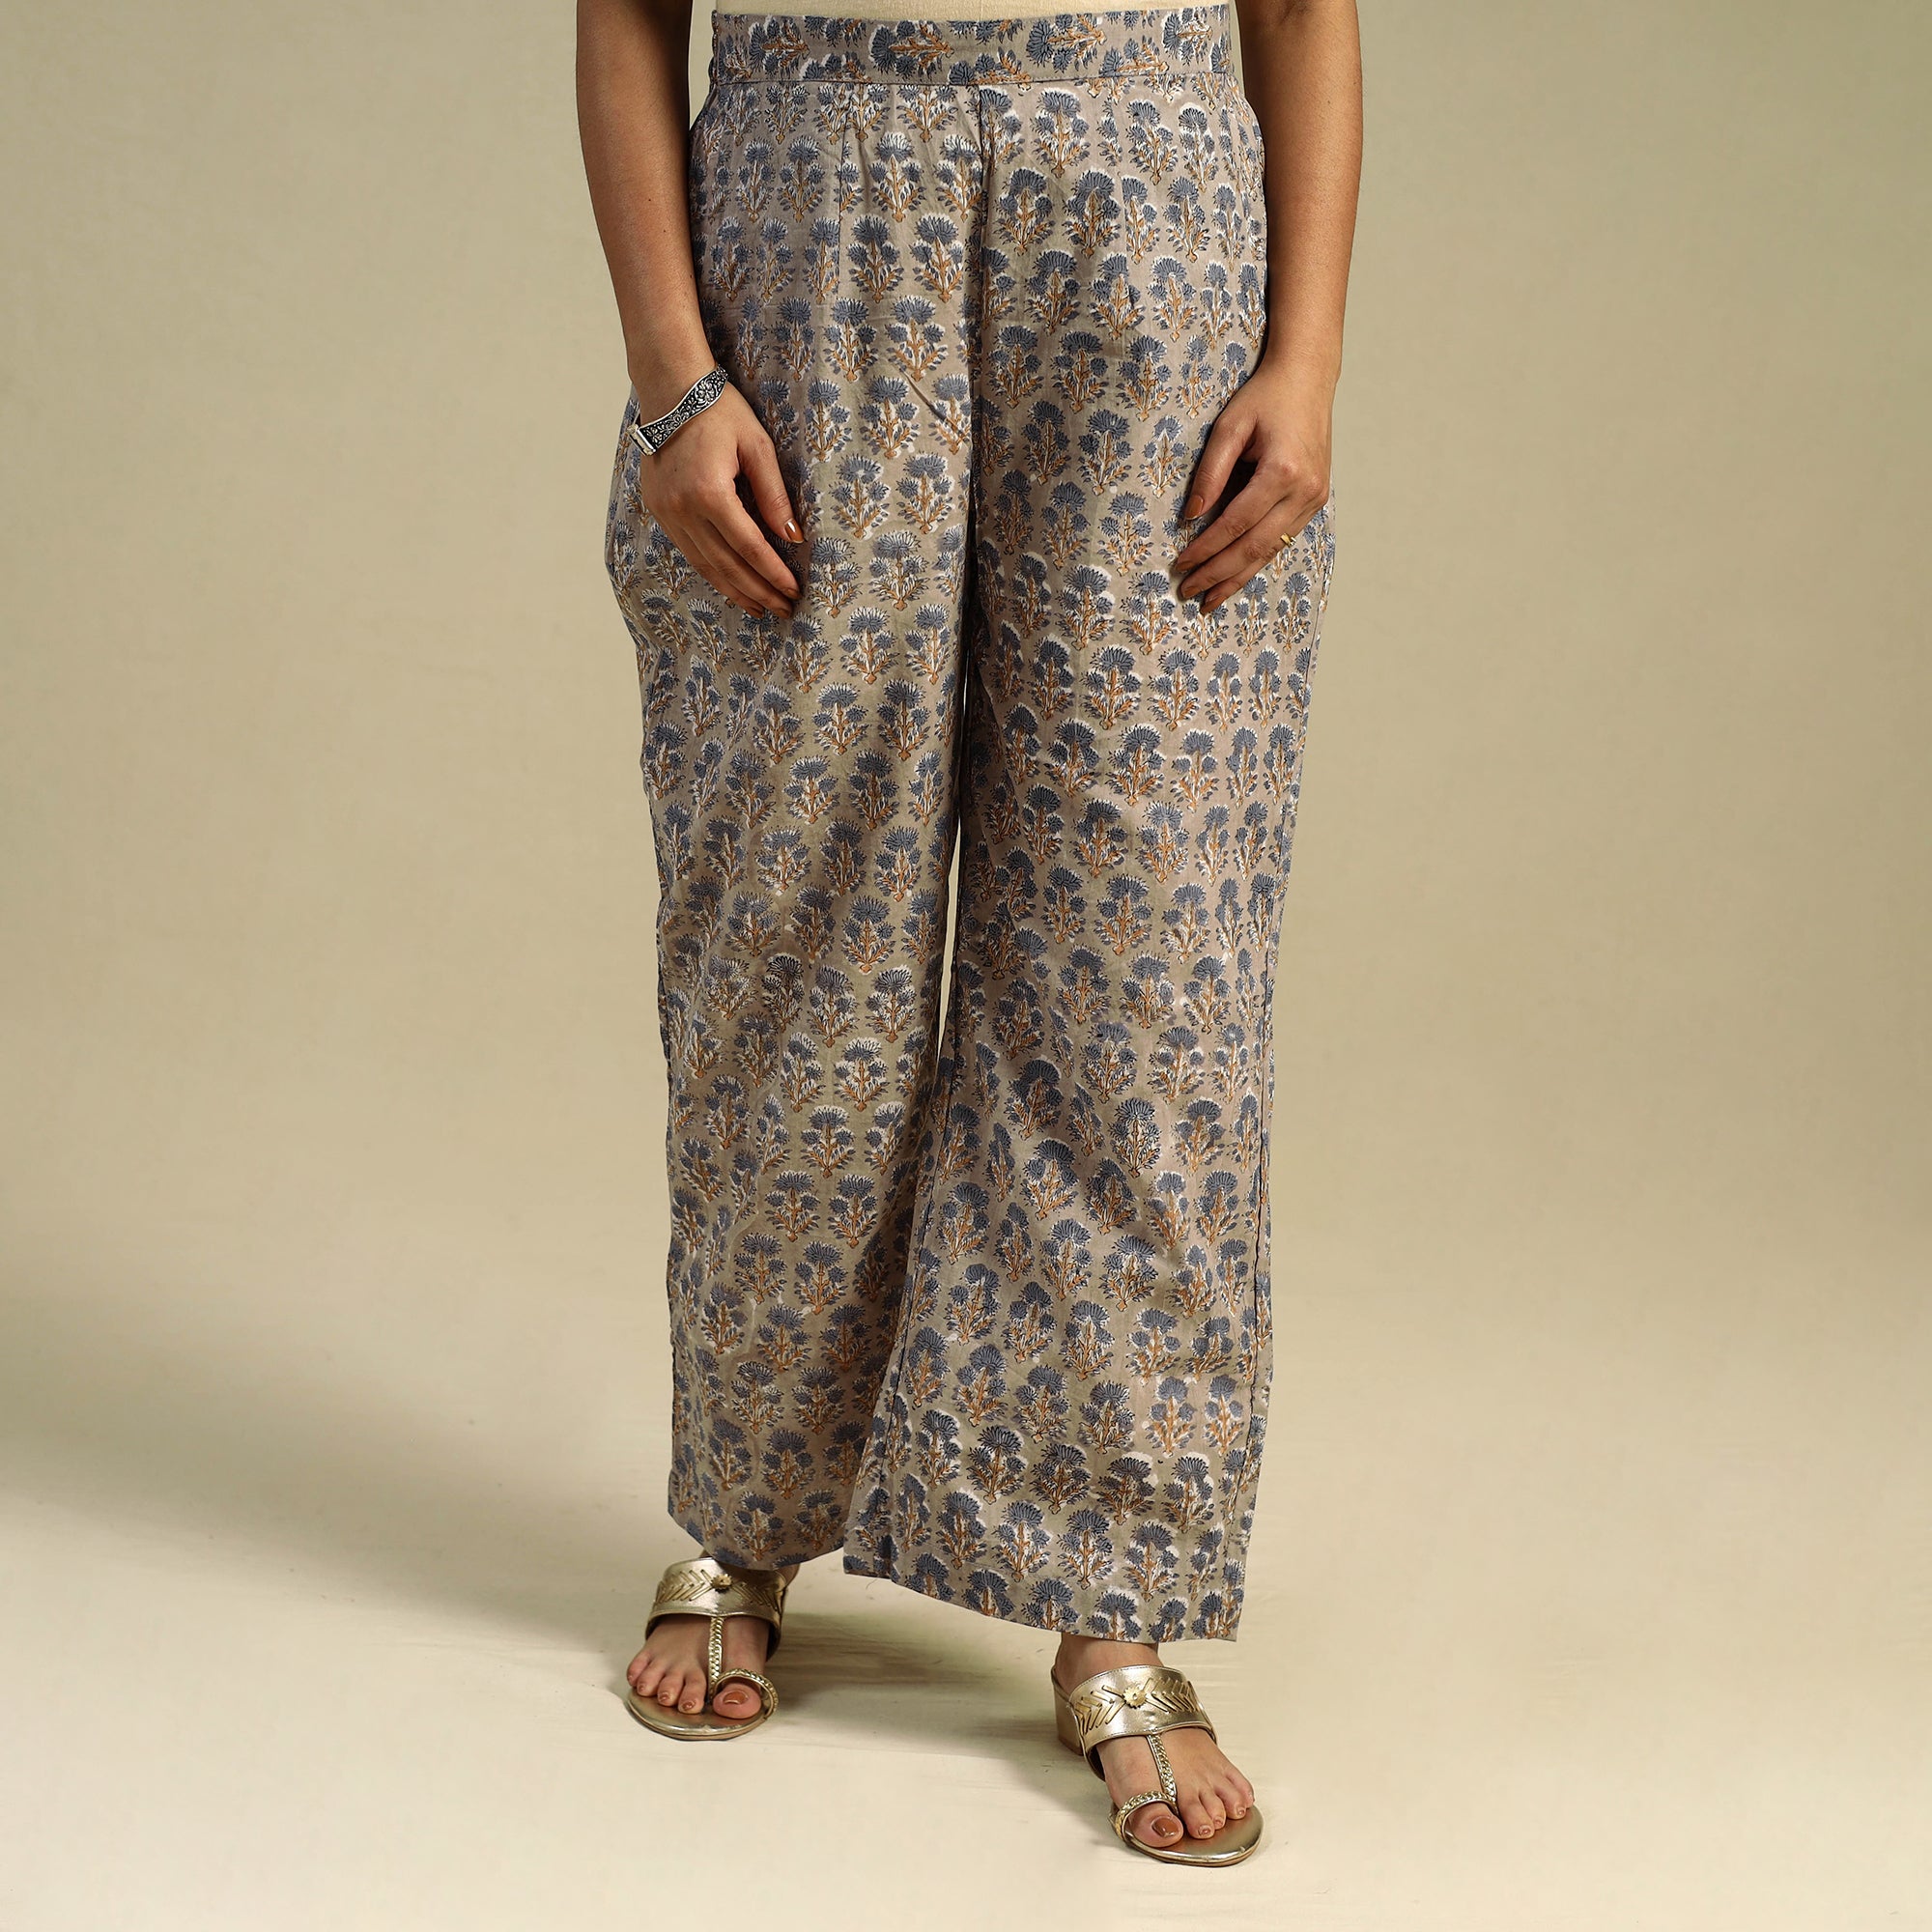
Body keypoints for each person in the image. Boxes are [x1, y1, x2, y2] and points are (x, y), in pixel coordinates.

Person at [577, 0, 1359, 1865]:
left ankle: (1115, 1596)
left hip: (1150, 222)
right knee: (791, 924)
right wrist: (673, 379)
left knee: (1147, 953)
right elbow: (622, 11)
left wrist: (1308, 360)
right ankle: (748, 1503)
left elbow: (1299, 7)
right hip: (805, 217)